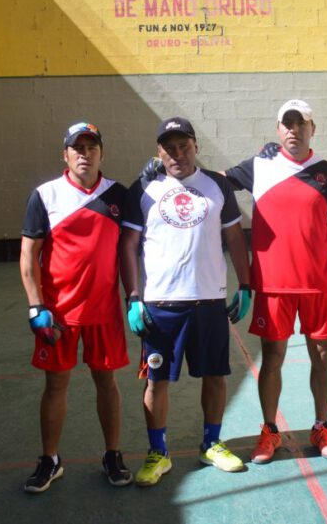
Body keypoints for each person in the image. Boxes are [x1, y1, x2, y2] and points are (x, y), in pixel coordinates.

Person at [120, 117, 252, 487]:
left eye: (184, 146)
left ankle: (211, 443)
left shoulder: (217, 186)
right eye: (169, 148)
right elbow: (128, 246)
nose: (177, 154)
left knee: (215, 375)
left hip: (209, 300)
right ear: (159, 151)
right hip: (161, 304)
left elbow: (235, 238)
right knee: (157, 381)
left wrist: (246, 285)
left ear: (195, 147)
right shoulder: (143, 188)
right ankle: (158, 452)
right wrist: (133, 297)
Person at [223, 100, 327, 463]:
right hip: (274, 284)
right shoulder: (258, 165)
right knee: (273, 357)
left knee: (323, 357)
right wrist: (164, 172)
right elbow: (214, 180)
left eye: (300, 123)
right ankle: (269, 431)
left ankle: (321, 427)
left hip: (318, 283)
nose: (294, 129)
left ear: (312, 128)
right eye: (287, 123)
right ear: (278, 130)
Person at [19, 121, 132, 493]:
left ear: (101, 153)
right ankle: (50, 460)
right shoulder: (45, 195)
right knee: (56, 385)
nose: (85, 154)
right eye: (77, 148)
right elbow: (28, 256)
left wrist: (135, 297)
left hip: (104, 312)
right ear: (65, 155)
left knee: (107, 383)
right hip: (58, 315)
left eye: (91, 147)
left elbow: (137, 242)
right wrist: (36, 307)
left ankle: (112, 455)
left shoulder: (118, 195)